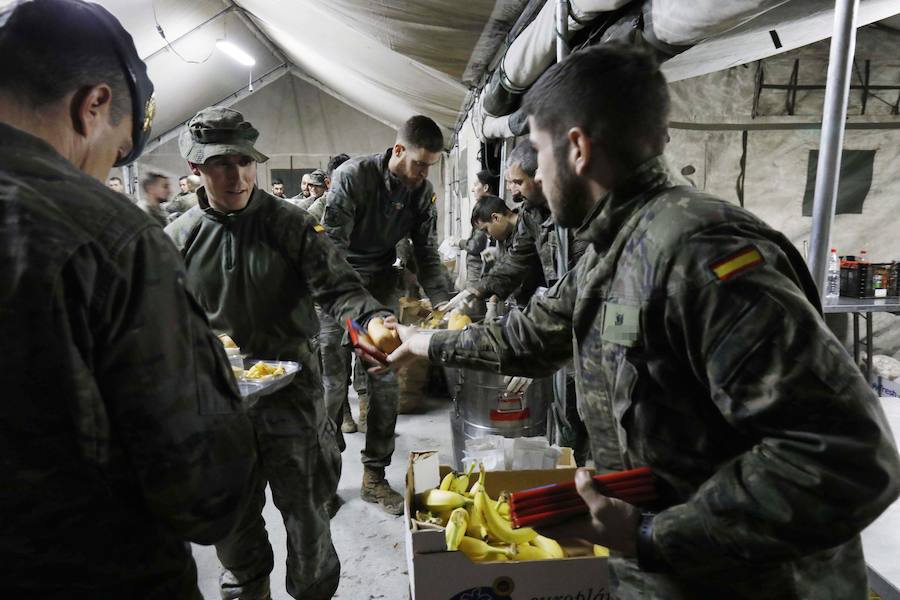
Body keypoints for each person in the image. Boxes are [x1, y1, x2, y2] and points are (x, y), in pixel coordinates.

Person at [387, 44, 900, 598]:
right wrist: (425, 342)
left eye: (539, 151)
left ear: (577, 149)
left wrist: (654, 534)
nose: (531, 177)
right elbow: (536, 335)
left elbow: (846, 456)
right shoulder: (616, 250)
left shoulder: (698, 254)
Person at [0, 1, 257, 597]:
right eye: (117, 151)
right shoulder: (110, 238)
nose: (105, 173)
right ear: (93, 106)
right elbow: (206, 495)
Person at [166, 106, 391, 600]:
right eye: (222, 164)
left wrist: (369, 325)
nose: (238, 175)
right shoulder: (176, 241)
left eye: (245, 162)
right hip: (219, 409)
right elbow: (158, 322)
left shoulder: (288, 225)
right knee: (233, 530)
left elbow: (340, 292)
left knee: (309, 521)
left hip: (292, 400)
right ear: (195, 170)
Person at [321, 114, 453, 514]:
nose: (424, 172)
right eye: (419, 163)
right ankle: (325, 480)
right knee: (330, 386)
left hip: (379, 283)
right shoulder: (352, 177)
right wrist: (353, 311)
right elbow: (331, 249)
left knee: (384, 382)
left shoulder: (420, 192)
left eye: (430, 165)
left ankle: (374, 478)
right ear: (398, 150)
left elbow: (427, 252)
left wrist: (444, 301)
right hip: (336, 283)